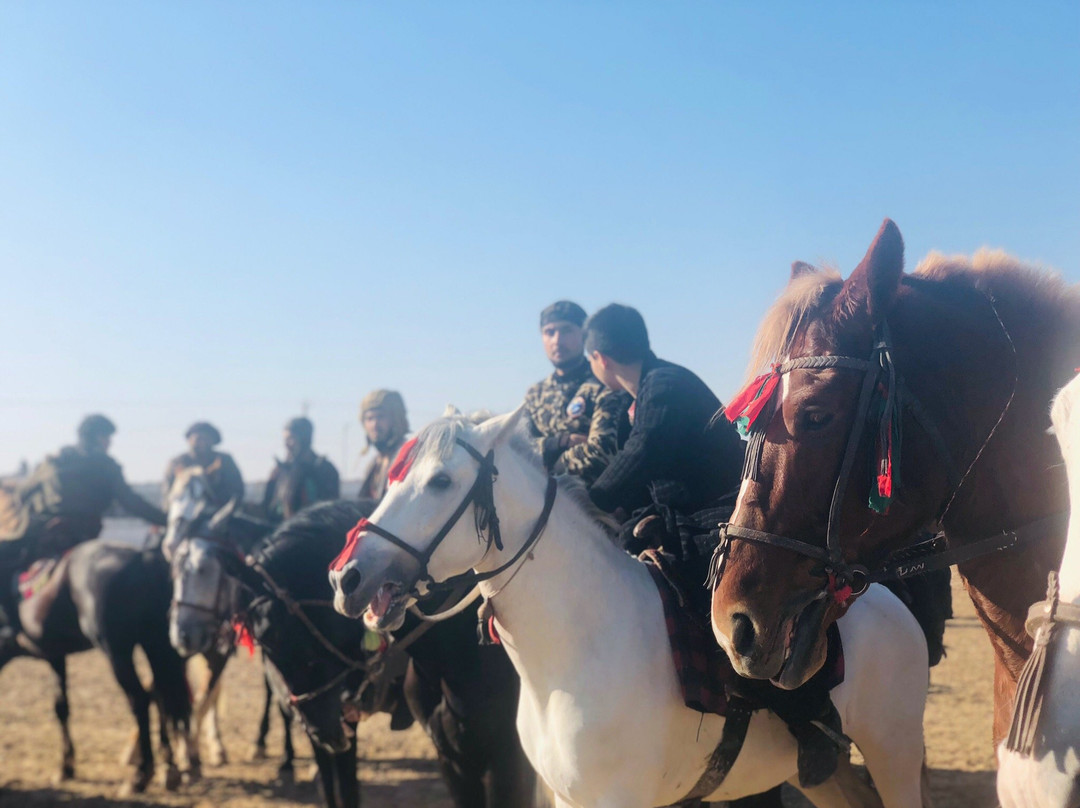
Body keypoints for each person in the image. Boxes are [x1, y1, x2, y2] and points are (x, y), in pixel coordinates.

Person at [0, 415, 167, 640]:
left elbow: (22, 493)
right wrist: (166, 519)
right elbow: (131, 502)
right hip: (87, 534)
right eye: (108, 438)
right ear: (99, 437)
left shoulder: (55, 461)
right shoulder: (107, 466)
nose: (109, 443)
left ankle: (10, 624)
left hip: (47, 532)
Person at [584, 304, 745, 526]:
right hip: (694, 516)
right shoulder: (647, 389)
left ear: (600, 358)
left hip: (721, 519)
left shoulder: (664, 386)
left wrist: (589, 503)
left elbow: (641, 452)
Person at [524, 300, 630, 485]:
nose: (557, 340)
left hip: (598, 504)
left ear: (583, 334)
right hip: (541, 503)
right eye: (550, 332)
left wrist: (545, 465)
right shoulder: (536, 394)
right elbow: (520, 449)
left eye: (566, 331)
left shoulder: (605, 381)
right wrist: (559, 443)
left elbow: (601, 454)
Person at [262, 417, 340, 521]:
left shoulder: (325, 470)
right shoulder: (279, 472)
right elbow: (269, 509)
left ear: (304, 439)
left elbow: (330, 510)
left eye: (291, 439)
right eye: (285, 440)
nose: (287, 445)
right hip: (281, 533)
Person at [163, 421, 245, 508]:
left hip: (218, 511)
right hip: (182, 510)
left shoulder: (224, 460)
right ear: (190, 440)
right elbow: (168, 492)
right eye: (198, 439)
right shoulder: (177, 462)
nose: (202, 443)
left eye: (206, 439)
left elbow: (236, 489)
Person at [357, 390, 410, 502]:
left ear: (396, 419)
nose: (374, 425)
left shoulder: (408, 459)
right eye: (369, 418)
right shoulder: (374, 465)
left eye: (381, 417)